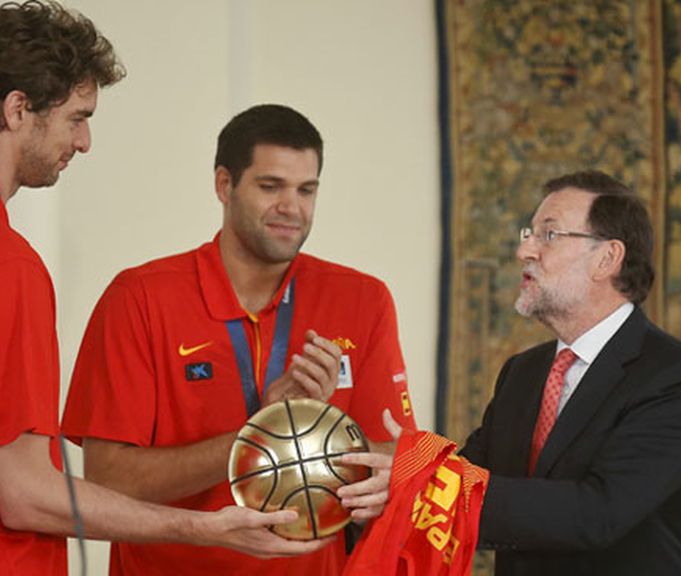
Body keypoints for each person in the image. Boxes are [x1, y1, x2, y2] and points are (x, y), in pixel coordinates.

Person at [0, 4, 326, 575]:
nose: (83, 141)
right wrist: (199, 527)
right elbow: (26, 492)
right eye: (75, 118)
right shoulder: (0, 263)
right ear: (18, 110)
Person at [60, 103, 417, 575]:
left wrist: (324, 431)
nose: (292, 207)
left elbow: (394, 461)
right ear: (224, 185)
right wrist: (266, 430)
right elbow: (108, 481)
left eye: (306, 189)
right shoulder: (140, 298)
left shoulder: (363, 299)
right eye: (271, 187)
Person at [460, 170, 681, 575]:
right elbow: (468, 474)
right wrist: (397, 472)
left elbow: (599, 513)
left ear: (607, 258)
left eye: (549, 235)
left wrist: (442, 491)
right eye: (529, 233)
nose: (524, 251)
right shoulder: (521, 373)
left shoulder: (675, 376)